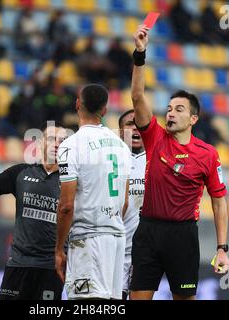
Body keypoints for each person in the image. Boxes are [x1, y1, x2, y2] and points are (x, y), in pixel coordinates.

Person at [130, 25, 229, 300]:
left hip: (183, 236)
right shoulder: (155, 137)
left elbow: (219, 201)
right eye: (169, 108)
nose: (171, 113)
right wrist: (140, 55)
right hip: (148, 230)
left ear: (193, 119)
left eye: (179, 109)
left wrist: (222, 247)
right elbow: (138, 97)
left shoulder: (208, 153)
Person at [0, 122, 68, 300]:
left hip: (51, 267)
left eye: (63, 140)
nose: (57, 144)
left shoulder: (71, 181)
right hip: (19, 263)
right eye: (52, 139)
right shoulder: (21, 172)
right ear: (40, 144)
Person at [55, 84, 131, 300]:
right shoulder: (121, 146)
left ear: (78, 104)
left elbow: (66, 206)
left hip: (89, 238)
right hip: (117, 238)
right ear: (105, 110)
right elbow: (124, 202)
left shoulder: (71, 145)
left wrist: (59, 249)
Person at [118, 109, 146, 300]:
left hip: (146, 253)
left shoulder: (158, 161)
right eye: (129, 124)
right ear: (120, 132)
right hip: (115, 250)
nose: (135, 128)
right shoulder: (108, 162)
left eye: (140, 124)